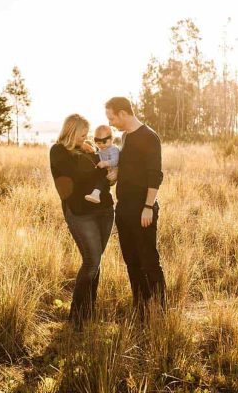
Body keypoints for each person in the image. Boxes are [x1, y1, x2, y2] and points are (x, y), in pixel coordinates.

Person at [49, 114, 114, 330]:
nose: (86, 138)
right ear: (72, 132)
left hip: (104, 210)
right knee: (91, 261)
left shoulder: (89, 152)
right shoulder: (58, 151)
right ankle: (76, 318)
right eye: (83, 135)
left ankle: (88, 313)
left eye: (87, 135)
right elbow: (79, 176)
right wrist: (96, 159)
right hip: (80, 213)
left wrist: (96, 157)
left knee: (96, 262)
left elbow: (106, 177)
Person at [105, 96, 166, 316]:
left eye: (112, 117)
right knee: (131, 260)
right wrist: (116, 174)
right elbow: (131, 167)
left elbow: (154, 175)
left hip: (143, 208)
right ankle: (140, 306)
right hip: (123, 208)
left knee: (148, 260)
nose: (110, 123)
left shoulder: (150, 137)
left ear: (123, 113)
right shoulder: (125, 137)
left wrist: (148, 207)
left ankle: (160, 310)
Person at [85, 125, 119, 204]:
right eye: (98, 143)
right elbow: (98, 155)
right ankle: (94, 191)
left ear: (111, 139)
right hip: (103, 168)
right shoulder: (101, 149)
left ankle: (96, 193)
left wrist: (105, 163)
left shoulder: (113, 149)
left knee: (102, 178)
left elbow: (115, 161)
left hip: (110, 171)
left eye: (104, 142)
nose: (101, 145)